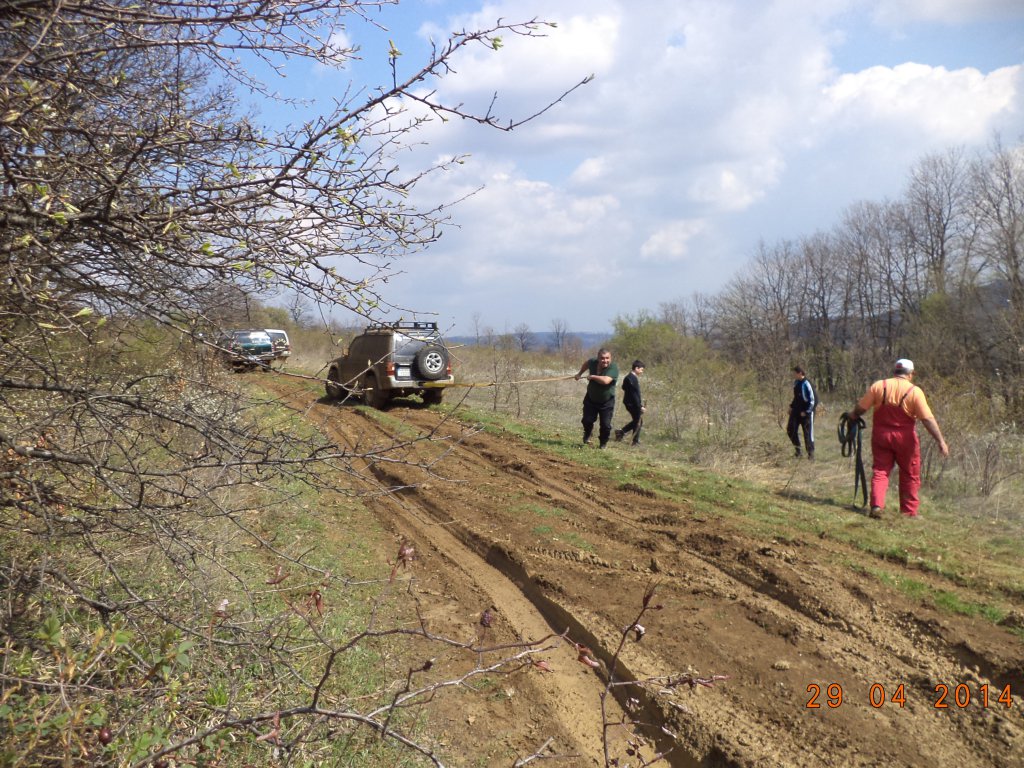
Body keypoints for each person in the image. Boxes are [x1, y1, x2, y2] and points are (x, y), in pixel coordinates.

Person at [846, 358, 949, 519]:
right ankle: (908, 512)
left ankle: (876, 506)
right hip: (905, 438)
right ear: (911, 374)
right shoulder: (914, 391)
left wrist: (852, 416)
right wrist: (940, 441)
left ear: (895, 371)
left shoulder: (879, 386)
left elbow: (861, 408)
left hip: (881, 436)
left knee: (880, 471)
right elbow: (927, 419)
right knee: (909, 473)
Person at [574, 348, 619, 448]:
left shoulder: (613, 368)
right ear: (598, 358)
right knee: (587, 420)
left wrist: (593, 377)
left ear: (610, 358)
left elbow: (606, 381)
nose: (605, 361)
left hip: (606, 402)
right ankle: (588, 434)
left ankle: (603, 443)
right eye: (602, 358)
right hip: (591, 399)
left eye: (607, 358)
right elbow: (586, 364)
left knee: (605, 425)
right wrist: (579, 374)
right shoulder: (593, 362)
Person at [787, 366, 816, 459]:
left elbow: (813, 400)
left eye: (795, 373)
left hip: (806, 413)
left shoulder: (807, 384)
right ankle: (798, 451)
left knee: (807, 433)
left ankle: (810, 455)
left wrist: (807, 411)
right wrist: (791, 407)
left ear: (800, 373)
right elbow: (796, 398)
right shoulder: (796, 383)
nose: (793, 375)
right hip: (796, 411)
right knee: (790, 429)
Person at [615, 360, 646, 445]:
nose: (642, 372)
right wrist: (640, 406)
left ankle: (621, 432)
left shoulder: (629, 377)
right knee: (638, 421)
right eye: (641, 370)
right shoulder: (631, 378)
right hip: (631, 403)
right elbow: (634, 394)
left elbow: (623, 387)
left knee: (637, 420)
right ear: (636, 368)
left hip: (630, 402)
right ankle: (634, 441)